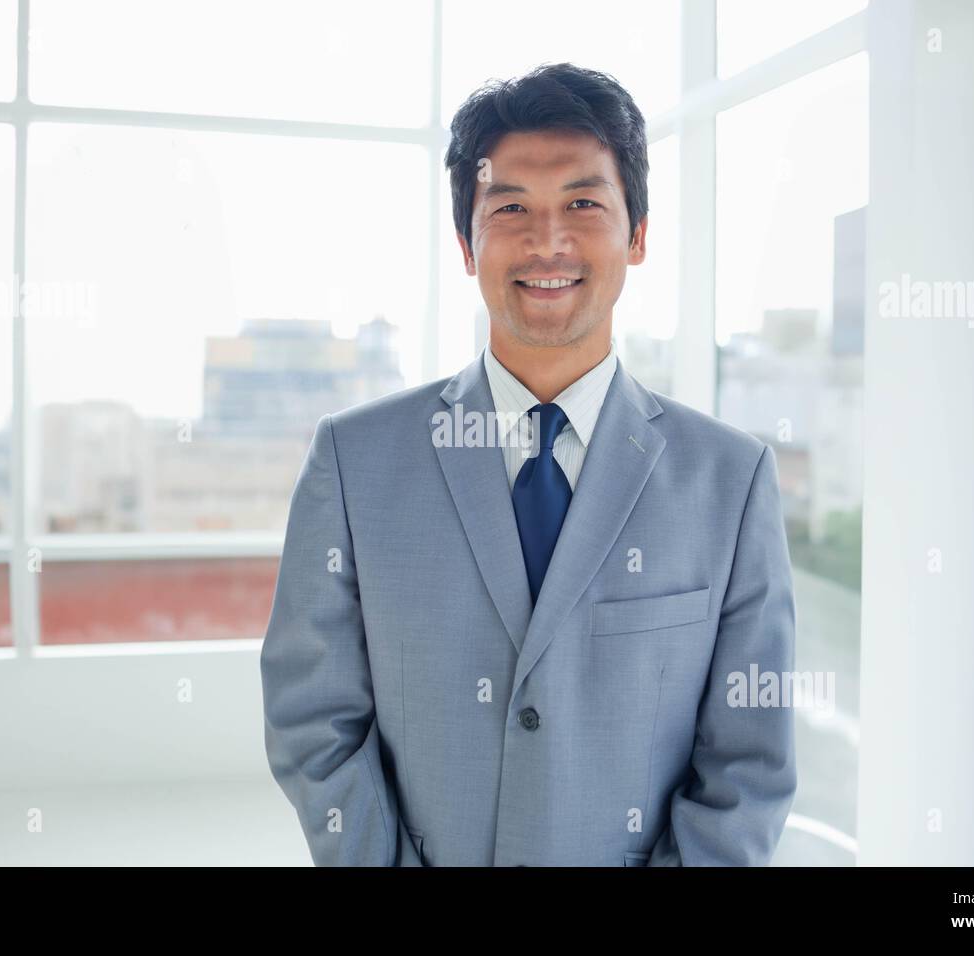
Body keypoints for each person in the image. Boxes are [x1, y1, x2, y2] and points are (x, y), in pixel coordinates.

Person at [261, 62, 797, 866]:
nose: (548, 240)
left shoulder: (731, 480)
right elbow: (313, 720)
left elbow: (749, 764)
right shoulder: (353, 461)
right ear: (466, 244)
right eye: (510, 207)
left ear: (638, 235)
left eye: (584, 203)